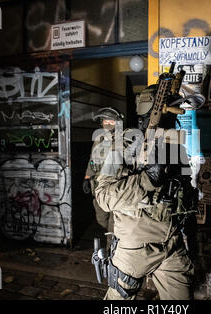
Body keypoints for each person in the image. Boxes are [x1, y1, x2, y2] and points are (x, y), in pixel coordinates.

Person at [94, 84, 197, 300]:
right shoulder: (122, 146)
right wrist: (147, 179)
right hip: (136, 246)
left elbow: (183, 192)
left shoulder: (175, 147)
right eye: (169, 109)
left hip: (172, 244)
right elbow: (104, 196)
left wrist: (188, 232)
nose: (174, 116)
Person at [83, 107, 124, 248]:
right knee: (101, 222)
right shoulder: (99, 138)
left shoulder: (124, 139)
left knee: (114, 226)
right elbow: (92, 160)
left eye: (110, 121)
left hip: (114, 191)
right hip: (98, 190)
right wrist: (87, 177)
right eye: (104, 120)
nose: (107, 123)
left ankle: (111, 254)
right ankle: (107, 250)